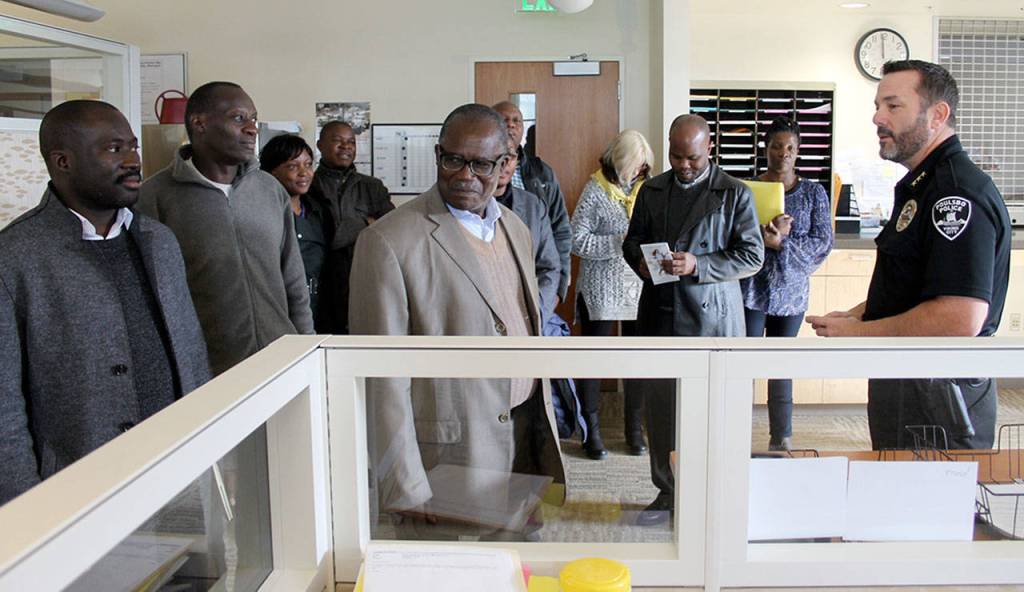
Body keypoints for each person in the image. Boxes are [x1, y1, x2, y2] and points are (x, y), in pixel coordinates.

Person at [349, 103, 565, 539]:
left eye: (482, 164)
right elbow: (382, 380)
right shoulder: (389, 242)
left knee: (513, 567)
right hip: (448, 457)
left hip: (522, 436)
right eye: (454, 160)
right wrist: (404, 484)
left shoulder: (516, 228)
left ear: (505, 165)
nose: (466, 175)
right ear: (438, 155)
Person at [0, 101, 210, 505]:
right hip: (78, 495)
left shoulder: (159, 242)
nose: (134, 160)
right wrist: (26, 512)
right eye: (114, 149)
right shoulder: (16, 260)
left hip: (180, 478)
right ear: (63, 161)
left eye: (133, 146)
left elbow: (192, 358)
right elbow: (4, 410)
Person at [807, 60, 1011, 451]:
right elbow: (918, 284)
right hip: (909, 384)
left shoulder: (955, 194)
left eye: (893, 106)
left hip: (940, 399)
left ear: (937, 115)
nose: (877, 117)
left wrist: (861, 332)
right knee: (892, 503)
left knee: (927, 509)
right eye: (877, 105)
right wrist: (860, 313)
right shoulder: (922, 185)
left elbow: (959, 316)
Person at [623, 114, 763, 525]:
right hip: (659, 317)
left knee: (711, 415)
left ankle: (713, 496)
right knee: (662, 412)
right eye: (677, 157)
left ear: (710, 149)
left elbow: (751, 255)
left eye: (694, 159)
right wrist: (643, 264)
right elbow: (632, 242)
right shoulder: (652, 189)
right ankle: (667, 493)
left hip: (711, 322)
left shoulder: (735, 193)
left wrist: (698, 264)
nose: (684, 166)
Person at [138, 81, 313, 376]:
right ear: (200, 123)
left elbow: (293, 280)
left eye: (253, 119)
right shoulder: (155, 197)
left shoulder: (270, 190)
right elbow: (152, 299)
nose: (251, 129)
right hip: (209, 372)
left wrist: (306, 348)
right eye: (238, 118)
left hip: (281, 363)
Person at [743, 117, 833, 451]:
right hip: (751, 291)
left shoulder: (813, 193)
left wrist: (783, 244)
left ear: (798, 152)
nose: (784, 153)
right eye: (777, 146)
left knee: (781, 367)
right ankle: (735, 429)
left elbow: (823, 242)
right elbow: (730, 236)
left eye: (791, 148)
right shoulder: (747, 189)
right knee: (745, 364)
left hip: (790, 294)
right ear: (765, 149)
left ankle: (781, 437)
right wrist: (760, 238)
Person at [571, 129, 652, 460]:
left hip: (637, 290)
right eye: (634, 166)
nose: (637, 173)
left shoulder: (648, 190)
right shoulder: (595, 190)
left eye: (642, 168)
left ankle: (634, 430)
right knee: (595, 362)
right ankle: (592, 432)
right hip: (599, 290)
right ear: (619, 161)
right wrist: (618, 243)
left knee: (636, 363)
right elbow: (576, 239)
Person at [309, 121, 394, 334]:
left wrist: (343, 230)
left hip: (364, 278)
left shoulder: (372, 186)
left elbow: (392, 229)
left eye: (351, 142)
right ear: (319, 145)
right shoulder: (309, 184)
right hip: (322, 286)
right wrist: (366, 222)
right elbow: (328, 236)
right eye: (337, 141)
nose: (346, 147)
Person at [493, 101, 571, 303]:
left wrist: (557, 290)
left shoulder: (542, 173)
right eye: (504, 120)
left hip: (535, 278)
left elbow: (560, 230)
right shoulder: (475, 180)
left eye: (516, 121)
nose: (510, 125)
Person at [260, 134, 334, 332]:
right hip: (281, 314)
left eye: (308, 165)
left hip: (319, 310)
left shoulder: (319, 210)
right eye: (293, 166)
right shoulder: (263, 213)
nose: (304, 173)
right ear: (272, 172)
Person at [493, 136, 561, 313]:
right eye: (498, 157)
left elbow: (549, 265)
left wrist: (538, 310)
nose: (504, 164)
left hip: (528, 310)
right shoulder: (468, 204)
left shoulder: (533, 205)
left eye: (510, 158)